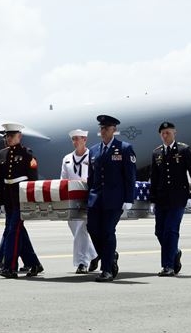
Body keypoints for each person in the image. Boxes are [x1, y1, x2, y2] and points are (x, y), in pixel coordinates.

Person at [87, 115, 136, 282]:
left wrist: (129, 199)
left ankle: (107, 269)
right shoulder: (93, 150)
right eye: (101, 128)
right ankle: (109, 255)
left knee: (108, 231)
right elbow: (91, 177)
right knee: (92, 229)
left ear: (114, 130)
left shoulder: (124, 148)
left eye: (106, 128)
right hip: (95, 199)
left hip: (114, 199)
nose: (102, 131)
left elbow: (130, 176)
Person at [149, 121, 191, 277]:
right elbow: (154, 177)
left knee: (171, 231)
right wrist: (152, 199)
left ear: (174, 133)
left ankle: (168, 266)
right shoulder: (156, 153)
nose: (165, 136)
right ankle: (175, 252)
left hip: (178, 198)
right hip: (161, 199)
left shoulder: (184, 150)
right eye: (163, 134)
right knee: (159, 232)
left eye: (168, 133)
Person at [0, 123, 43, 279]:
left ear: (19, 136)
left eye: (11, 136)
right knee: (18, 232)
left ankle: (10, 266)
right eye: (7, 136)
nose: (8, 138)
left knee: (13, 232)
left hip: (21, 198)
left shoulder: (27, 154)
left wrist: (30, 200)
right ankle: (34, 263)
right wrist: (0, 201)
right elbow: (0, 180)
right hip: (8, 198)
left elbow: (32, 181)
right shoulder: (1, 154)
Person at [60, 129, 98, 274]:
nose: (75, 142)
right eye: (73, 139)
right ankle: (94, 255)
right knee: (75, 229)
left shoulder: (93, 155)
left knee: (81, 229)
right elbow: (63, 179)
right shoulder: (67, 158)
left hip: (87, 197)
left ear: (85, 140)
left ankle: (82, 262)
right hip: (71, 199)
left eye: (78, 139)